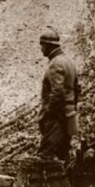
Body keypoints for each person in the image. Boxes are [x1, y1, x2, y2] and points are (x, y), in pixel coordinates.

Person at [37, 27, 80, 162]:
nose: (41, 49)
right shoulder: (68, 61)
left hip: (57, 116)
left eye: (42, 45)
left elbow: (57, 92)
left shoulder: (55, 64)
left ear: (48, 46)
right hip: (68, 113)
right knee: (63, 151)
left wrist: (49, 113)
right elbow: (77, 88)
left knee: (46, 152)